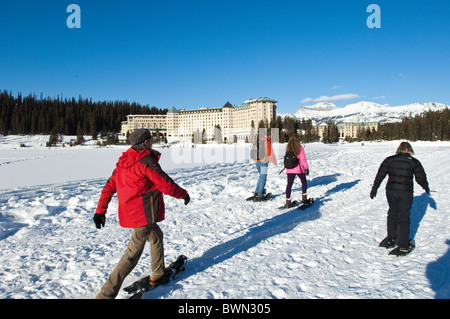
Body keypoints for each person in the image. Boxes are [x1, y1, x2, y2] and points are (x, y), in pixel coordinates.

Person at [93, 129, 190, 299]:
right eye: (151, 139)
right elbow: (165, 183)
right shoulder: (145, 161)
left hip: (132, 213)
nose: (152, 141)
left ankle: (158, 274)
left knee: (156, 236)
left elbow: (109, 186)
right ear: (145, 142)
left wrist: (101, 210)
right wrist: (183, 194)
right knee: (131, 256)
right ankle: (105, 295)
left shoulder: (125, 160)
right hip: (142, 215)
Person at [370, 141, 429, 256]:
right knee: (404, 217)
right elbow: (420, 177)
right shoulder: (414, 162)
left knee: (392, 213)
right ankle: (402, 245)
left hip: (391, 191)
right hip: (405, 192)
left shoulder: (389, 160)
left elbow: (380, 174)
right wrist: (426, 187)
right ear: (409, 150)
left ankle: (391, 238)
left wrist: (375, 188)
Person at [284, 134, 309, 207]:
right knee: (304, 182)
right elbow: (303, 159)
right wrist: (306, 168)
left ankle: (288, 201)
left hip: (289, 169)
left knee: (289, 185)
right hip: (298, 169)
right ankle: (304, 197)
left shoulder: (288, 147)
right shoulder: (299, 147)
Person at [252, 129, 277, 201]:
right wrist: (274, 162)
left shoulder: (260, 139)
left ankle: (257, 191)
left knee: (261, 177)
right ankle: (260, 194)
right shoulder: (267, 141)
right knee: (263, 178)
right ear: (269, 135)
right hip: (263, 161)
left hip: (257, 160)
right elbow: (270, 154)